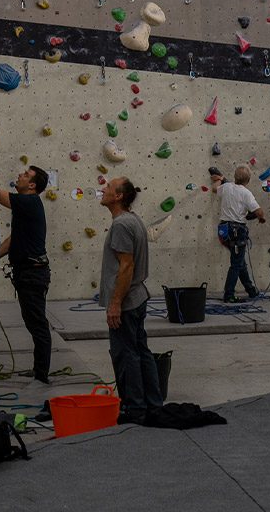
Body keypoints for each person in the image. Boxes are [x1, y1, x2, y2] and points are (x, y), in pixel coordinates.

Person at [0, 152, 52, 386]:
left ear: (32, 185)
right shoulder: (26, 207)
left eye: (26, 175)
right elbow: (14, 239)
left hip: (32, 274)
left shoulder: (29, 202)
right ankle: (39, 369)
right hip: (29, 272)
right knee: (33, 322)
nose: (20, 174)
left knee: (37, 324)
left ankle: (42, 375)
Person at [99, 177, 162, 425]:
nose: (103, 190)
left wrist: (115, 304)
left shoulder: (121, 225)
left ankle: (135, 408)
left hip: (127, 301)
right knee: (140, 351)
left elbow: (126, 267)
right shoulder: (132, 220)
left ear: (118, 197)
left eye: (108, 188)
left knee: (127, 355)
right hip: (137, 297)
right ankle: (152, 403)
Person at [210, 165, 265, 301]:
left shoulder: (227, 187)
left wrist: (220, 179)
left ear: (234, 177)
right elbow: (259, 212)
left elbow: (214, 188)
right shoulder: (246, 193)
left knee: (239, 261)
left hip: (223, 230)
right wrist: (261, 218)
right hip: (236, 230)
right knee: (236, 264)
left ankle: (251, 290)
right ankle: (228, 295)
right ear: (248, 180)